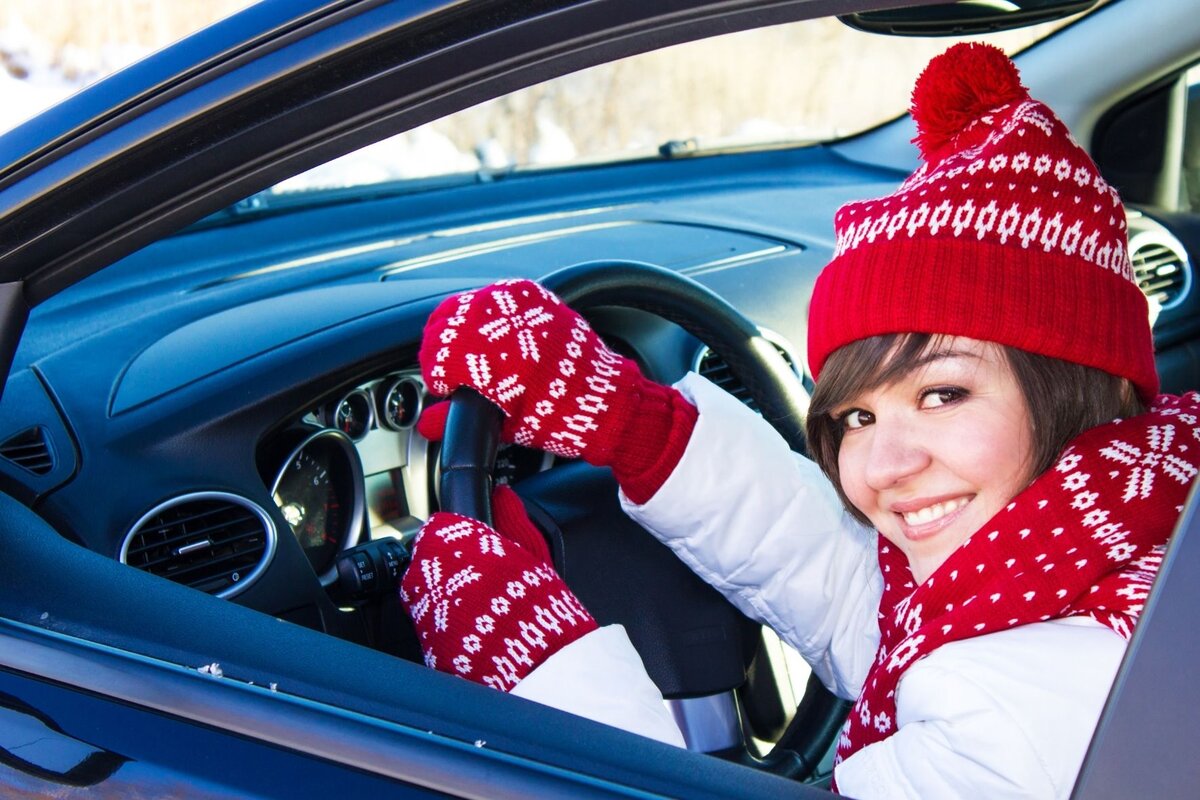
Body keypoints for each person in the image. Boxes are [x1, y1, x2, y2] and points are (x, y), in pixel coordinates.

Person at [397, 42, 1200, 797]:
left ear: (1078, 386)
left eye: (942, 394)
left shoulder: (1034, 701)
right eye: (855, 414)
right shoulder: (1115, 546)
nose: (882, 467)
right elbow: (874, 614)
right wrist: (637, 428)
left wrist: (536, 682)